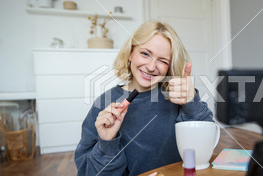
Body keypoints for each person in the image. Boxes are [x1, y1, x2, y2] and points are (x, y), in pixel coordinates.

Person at [74, 21, 213, 176]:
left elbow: (205, 148)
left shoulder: (179, 98)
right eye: (145, 54)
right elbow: (88, 176)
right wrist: (107, 144)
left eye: (163, 61)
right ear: (130, 53)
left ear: (170, 66)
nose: (152, 67)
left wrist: (191, 102)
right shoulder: (104, 103)